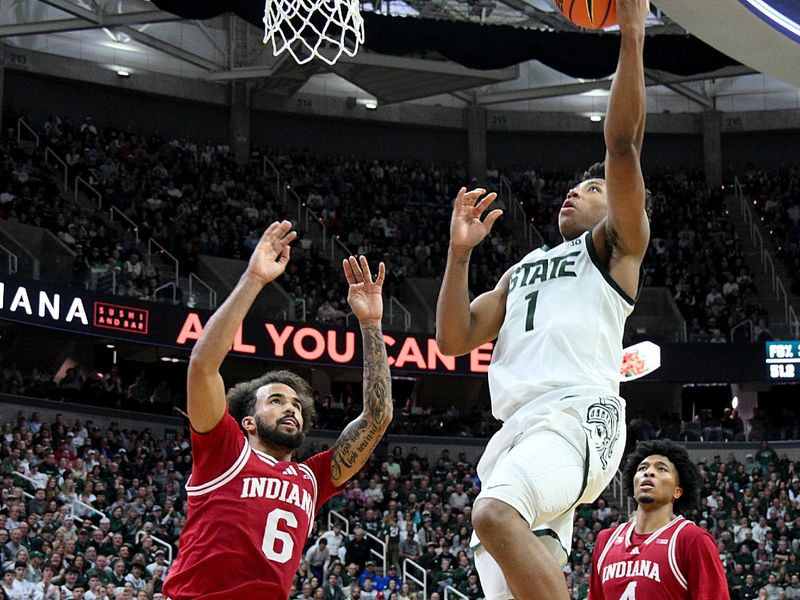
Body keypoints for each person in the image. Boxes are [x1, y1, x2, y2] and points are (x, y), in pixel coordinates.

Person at [435, 1, 651, 598]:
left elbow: (623, 147)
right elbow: (453, 339)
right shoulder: (523, 267)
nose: (575, 194)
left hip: (579, 415)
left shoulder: (615, 250)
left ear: (624, 207)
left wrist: (631, 36)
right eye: (575, 186)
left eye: (592, 188)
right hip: (518, 431)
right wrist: (458, 255)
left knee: (492, 515)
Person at [163, 221, 393, 599]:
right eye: (276, 400)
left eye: (297, 405)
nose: (292, 409)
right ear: (248, 422)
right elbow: (203, 365)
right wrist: (253, 278)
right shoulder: (224, 451)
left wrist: (371, 324)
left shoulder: (312, 478)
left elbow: (377, 417)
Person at [588, 439, 727, 599]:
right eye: (642, 468)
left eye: (661, 468)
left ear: (677, 491)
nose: (648, 472)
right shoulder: (605, 541)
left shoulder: (692, 540)